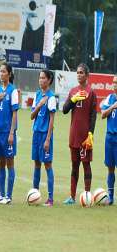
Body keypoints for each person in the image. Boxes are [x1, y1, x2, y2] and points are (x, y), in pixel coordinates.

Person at [62, 63, 97, 205]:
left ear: (87, 75)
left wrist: (91, 134)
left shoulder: (92, 92)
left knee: (86, 165)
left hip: (85, 137)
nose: (79, 75)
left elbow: (93, 116)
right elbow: (64, 110)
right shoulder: (73, 91)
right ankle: (72, 197)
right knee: (74, 165)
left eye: (81, 72)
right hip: (74, 135)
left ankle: (87, 195)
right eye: (77, 72)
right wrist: (73, 99)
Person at [0, 63, 18, 205]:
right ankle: (1, 195)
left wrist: (12, 133)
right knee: (0, 163)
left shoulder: (13, 91)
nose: (1, 74)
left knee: (9, 163)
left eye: (3, 71)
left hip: (8, 132)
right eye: (0, 71)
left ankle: (9, 196)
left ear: (9, 74)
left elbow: (14, 114)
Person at [30, 69, 56, 207]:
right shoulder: (38, 95)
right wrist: (39, 105)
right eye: (40, 78)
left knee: (47, 164)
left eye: (43, 78)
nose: (41, 80)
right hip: (36, 134)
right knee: (36, 163)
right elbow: (31, 116)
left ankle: (50, 199)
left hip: (45, 135)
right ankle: (35, 194)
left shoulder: (51, 97)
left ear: (49, 80)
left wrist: (48, 139)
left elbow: (52, 120)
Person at [101, 75, 117, 205]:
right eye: (114, 83)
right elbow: (102, 114)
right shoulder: (110, 98)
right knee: (110, 168)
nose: (114, 85)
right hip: (109, 138)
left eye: (116, 83)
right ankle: (111, 196)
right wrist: (113, 106)